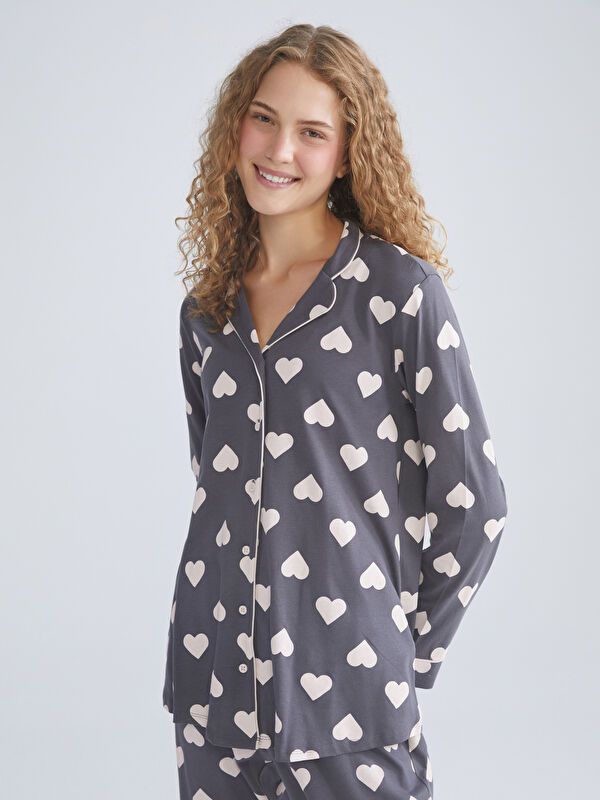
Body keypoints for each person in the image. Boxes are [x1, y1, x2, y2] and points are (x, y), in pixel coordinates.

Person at [162, 22, 508, 800]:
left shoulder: (399, 294)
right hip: (213, 687)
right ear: (235, 127)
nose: (279, 149)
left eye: (311, 132)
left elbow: (476, 505)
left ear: (348, 153)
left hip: (352, 696)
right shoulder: (206, 311)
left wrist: (403, 650)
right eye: (263, 118)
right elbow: (218, 486)